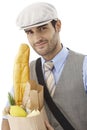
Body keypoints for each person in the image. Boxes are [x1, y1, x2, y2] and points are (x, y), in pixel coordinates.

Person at [1, 2, 87, 130]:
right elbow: (7, 120)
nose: (36, 38)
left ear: (58, 25)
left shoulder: (84, 66)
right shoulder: (26, 72)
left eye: (42, 28)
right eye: (30, 32)